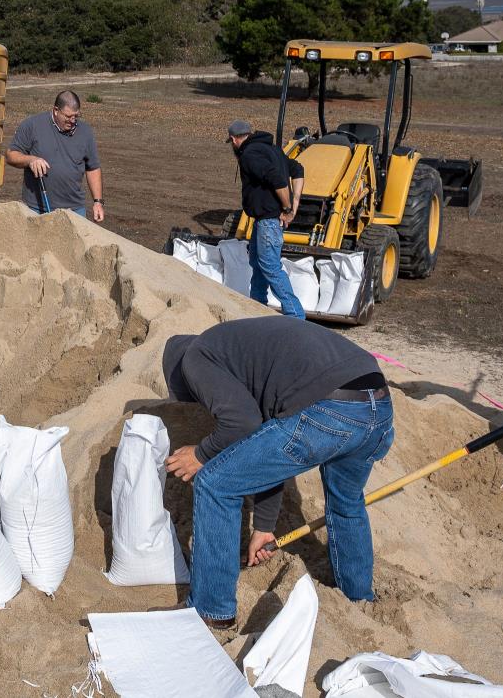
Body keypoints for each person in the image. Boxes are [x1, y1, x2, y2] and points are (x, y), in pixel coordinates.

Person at [161, 318, 394, 628]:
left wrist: (201, 454)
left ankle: (211, 609)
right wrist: (264, 527)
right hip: (377, 403)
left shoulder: (195, 357)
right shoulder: (242, 351)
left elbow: (242, 424)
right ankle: (359, 598)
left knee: (215, 483)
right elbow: (265, 448)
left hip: (329, 407)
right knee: (346, 502)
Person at [227, 119, 305, 318]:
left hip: (268, 221)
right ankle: (257, 308)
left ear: (234, 139)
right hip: (262, 221)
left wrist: (288, 208)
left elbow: (277, 180)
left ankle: (296, 316)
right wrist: (295, 204)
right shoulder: (273, 150)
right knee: (258, 263)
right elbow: (298, 169)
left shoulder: (249, 155)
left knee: (270, 266)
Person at [6, 91, 104, 222]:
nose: (73, 121)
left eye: (76, 116)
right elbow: (11, 155)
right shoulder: (32, 125)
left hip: (74, 210)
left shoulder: (85, 132)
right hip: (36, 209)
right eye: (68, 116)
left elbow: (92, 168)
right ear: (56, 110)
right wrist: (30, 160)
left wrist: (98, 202)